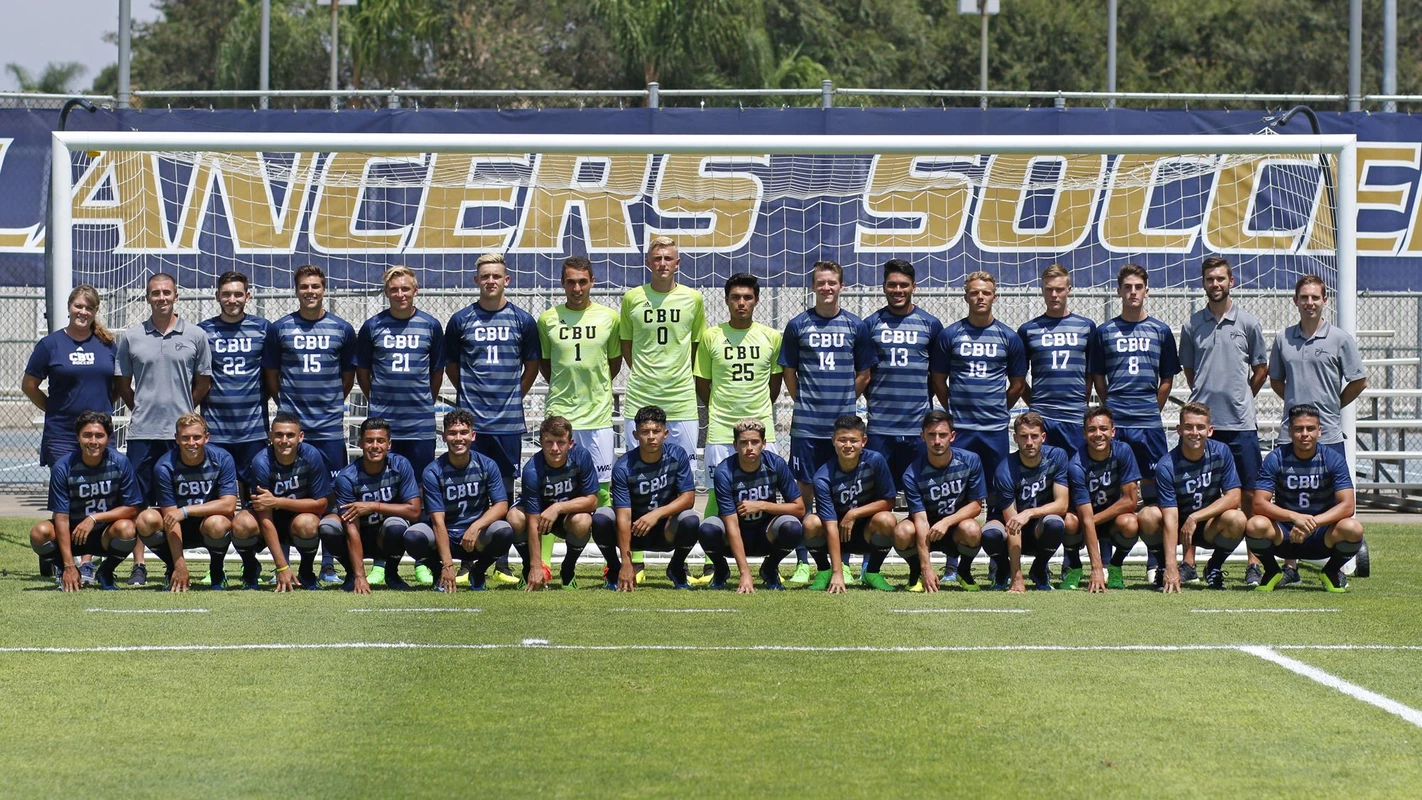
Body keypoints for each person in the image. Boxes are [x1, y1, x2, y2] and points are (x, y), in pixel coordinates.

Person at [444, 252, 540, 585]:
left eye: (496, 276)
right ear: (476, 280)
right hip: (472, 423)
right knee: (468, 491)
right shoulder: (460, 320)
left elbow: (531, 366)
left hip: (507, 423)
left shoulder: (523, 320)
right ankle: (469, 560)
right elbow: (452, 367)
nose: (490, 281)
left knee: (504, 492)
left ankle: (501, 560)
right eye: (485, 276)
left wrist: (513, 397)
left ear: (506, 280)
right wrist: (471, 399)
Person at [778, 261, 876, 587]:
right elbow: (789, 372)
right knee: (803, 496)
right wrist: (804, 399)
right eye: (821, 283)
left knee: (842, 497)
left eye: (832, 282)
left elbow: (864, 372)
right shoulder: (797, 325)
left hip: (842, 428)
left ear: (841, 286)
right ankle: (805, 562)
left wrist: (846, 398)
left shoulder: (855, 326)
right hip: (807, 426)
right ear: (813, 286)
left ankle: (843, 563)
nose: (826, 288)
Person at [1267, 274, 1368, 588]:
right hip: (1291, 434)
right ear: (1295, 301)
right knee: (1289, 499)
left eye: (1315, 297)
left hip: (1329, 435)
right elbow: (1276, 381)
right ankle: (1290, 565)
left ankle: (1335, 565)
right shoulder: (1283, 339)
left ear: (1325, 301)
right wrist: (1299, 415)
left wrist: (1332, 407)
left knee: (1331, 501)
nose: (1309, 302)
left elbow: (1359, 380)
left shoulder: (1339, 339)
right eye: (1304, 297)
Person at [115, 272, 213, 587]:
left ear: (176, 295)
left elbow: (203, 382)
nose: (161, 297)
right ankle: (140, 565)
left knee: (174, 503)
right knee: (141, 503)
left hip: (180, 438)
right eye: (155, 293)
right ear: (147, 297)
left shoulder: (196, 335)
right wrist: (143, 409)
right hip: (143, 433)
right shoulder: (130, 336)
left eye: (166, 292)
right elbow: (122, 384)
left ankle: (175, 563)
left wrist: (183, 413)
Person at [262, 265, 357, 584]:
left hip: (328, 427)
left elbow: (347, 378)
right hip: (293, 425)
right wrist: (290, 409)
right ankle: (286, 564)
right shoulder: (280, 328)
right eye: (304, 286)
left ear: (324, 289)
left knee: (330, 498)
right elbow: (272, 376)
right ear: (296, 290)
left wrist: (329, 405)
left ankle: (328, 562)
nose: (310, 291)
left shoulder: (342, 329)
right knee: (286, 493)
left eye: (315, 286)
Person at [1178, 256, 1269, 585]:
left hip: (1240, 424)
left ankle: (1253, 563)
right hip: (1201, 426)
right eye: (1209, 279)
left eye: (1221, 279)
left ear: (1231, 281)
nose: (1215, 284)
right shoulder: (1192, 325)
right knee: (1194, 493)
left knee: (1248, 495)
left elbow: (1261, 370)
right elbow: (1191, 372)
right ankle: (1187, 561)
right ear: (1203, 283)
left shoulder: (1248, 323)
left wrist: (1242, 397)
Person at [23, 284, 118, 583]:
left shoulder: (107, 344)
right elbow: (29, 385)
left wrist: (101, 415)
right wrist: (54, 409)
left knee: (95, 494)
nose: (83, 312)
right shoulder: (50, 345)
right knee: (69, 496)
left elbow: (115, 386)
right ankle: (60, 560)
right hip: (62, 434)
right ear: (69, 307)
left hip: (97, 434)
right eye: (78, 306)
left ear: (95, 311)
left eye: (88, 308)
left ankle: (86, 564)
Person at [693, 272, 783, 584]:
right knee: (718, 494)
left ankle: (770, 564)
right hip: (720, 429)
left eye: (747, 297)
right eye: (735, 297)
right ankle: (711, 563)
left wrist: (755, 418)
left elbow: (775, 384)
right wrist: (723, 412)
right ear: (727, 300)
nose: (741, 303)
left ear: (756, 300)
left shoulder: (771, 336)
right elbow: (703, 383)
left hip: (762, 431)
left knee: (767, 492)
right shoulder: (711, 336)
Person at [930, 270, 1027, 524]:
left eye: (985, 293)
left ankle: (997, 557)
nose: (980, 297)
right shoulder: (950, 335)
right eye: (974, 293)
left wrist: (997, 408)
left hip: (994, 429)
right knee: (957, 493)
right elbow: (939, 380)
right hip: (961, 428)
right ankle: (954, 562)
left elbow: (1017, 385)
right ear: (966, 297)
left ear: (995, 296)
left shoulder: (1009, 337)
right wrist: (952, 408)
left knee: (999, 493)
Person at [1245, 404, 1364, 593]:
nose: (1305, 434)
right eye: (1299, 429)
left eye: (1310, 428)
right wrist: (1294, 517)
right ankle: (1272, 570)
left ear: (1320, 431)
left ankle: (1331, 572)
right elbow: (1259, 503)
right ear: (1290, 431)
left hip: (1321, 534)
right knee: (1255, 524)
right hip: (1285, 534)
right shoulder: (1276, 458)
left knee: (1353, 528)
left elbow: (1348, 505)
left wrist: (1312, 522)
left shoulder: (1333, 459)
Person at [1088, 264, 1179, 503]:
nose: (1133, 292)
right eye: (1127, 287)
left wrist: (1152, 407)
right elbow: (1098, 375)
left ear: (1147, 291)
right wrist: (1111, 406)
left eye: (1138, 287)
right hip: (1117, 417)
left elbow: (1167, 378)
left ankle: (1153, 533)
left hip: (1147, 419)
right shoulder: (1104, 331)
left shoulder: (1161, 330)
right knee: (1115, 476)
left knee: (1153, 477)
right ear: (1118, 291)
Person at [537, 256, 622, 505]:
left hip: (597, 414)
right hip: (560, 412)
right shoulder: (547, 319)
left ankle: (602, 543)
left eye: (583, 282)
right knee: (554, 487)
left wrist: (595, 384)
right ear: (562, 283)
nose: (577, 289)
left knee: (602, 488)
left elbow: (613, 363)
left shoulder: (609, 317)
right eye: (571, 282)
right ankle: (551, 544)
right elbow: (546, 364)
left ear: (592, 282)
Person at [1138, 402, 1246, 593]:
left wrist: (1195, 517)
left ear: (1210, 430)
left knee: (1237, 518)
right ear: (1179, 429)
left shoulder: (1222, 452)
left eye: (1200, 427)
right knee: (1148, 515)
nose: (1194, 432)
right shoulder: (1167, 465)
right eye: (1188, 427)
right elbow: (1170, 517)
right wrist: (1172, 565)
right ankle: (1163, 567)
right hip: (1177, 526)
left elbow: (1234, 497)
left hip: (1206, 525)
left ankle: (1214, 567)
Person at [405, 410, 515, 593]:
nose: (458, 438)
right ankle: (437, 572)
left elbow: (501, 505)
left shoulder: (487, 465)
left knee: (504, 530)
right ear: (444, 436)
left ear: (473, 435)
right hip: (445, 535)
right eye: (452, 433)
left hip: (475, 537)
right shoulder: (433, 471)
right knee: (412, 536)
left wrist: (475, 527)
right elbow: (437, 520)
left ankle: (478, 572)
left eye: (463, 432)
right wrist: (447, 565)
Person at [29, 411, 140, 591]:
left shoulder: (121, 462)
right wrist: (69, 565)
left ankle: (106, 571)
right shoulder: (63, 467)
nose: (93, 441)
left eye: (99, 435)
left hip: (106, 533)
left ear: (108, 437)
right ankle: (66, 571)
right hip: (72, 533)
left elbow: (132, 508)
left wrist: (94, 518)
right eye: (87, 435)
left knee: (127, 528)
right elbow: (61, 517)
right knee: (39, 532)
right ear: (78, 437)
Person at [595, 405, 700, 591]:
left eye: (656, 431)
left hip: (665, 530)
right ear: (635, 435)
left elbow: (688, 498)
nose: (651, 436)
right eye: (645, 432)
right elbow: (624, 515)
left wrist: (657, 514)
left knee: (690, 519)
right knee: (601, 516)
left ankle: (676, 568)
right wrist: (627, 563)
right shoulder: (623, 466)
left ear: (665, 433)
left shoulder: (677, 455)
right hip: (634, 530)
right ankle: (614, 569)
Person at [355, 265, 444, 480]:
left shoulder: (431, 325)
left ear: (416, 290)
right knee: (383, 480)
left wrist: (424, 401)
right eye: (394, 290)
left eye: (405, 289)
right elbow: (363, 371)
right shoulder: (372, 326)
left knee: (422, 482)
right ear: (386, 292)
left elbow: (437, 371)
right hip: (383, 421)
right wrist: (376, 399)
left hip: (419, 423)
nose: (400, 294)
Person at [697, 418, 806, 593]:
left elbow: (799, 508)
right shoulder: (724, 472)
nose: (749, 447)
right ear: (735, 445)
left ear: (763, 444)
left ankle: (770, 569)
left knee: (792, 526)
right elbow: (731, 523)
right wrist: (745, 572)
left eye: (755, 442)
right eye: (744, 443)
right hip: (734, 534)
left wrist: (762, 505)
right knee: (707, 529)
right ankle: (721, 570)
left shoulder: (776, 464)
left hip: (766, 532)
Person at [136, 413, 239, 592]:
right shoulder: (165, 466)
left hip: (207, 524)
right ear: (176, 439)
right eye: (185, 438)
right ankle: (172, 567)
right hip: (176, 527)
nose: (191, 443)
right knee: (146, 519)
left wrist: (185, 511)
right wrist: (179, 564)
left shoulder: (222, 458)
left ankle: (217, 571)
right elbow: (170, 516)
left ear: (206, 438)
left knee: (219, 522)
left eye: (196, 437)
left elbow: (229, 505)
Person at [893, 411, 991, 593]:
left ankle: (964, 571)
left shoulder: (970, 461)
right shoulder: (912, 473)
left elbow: (976, 505)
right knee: (902, 532)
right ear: (922, 436)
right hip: (925, 528)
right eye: (931, 435)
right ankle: (917, 573)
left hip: (955, 527)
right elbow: (920, 519)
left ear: (952, 436)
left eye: (943, 435)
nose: (937, 441)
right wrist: (926, 567)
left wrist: (946, 522)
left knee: (972, 529)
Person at [244, 412, 342, 592]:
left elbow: (321, 504)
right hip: (268, 520)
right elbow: (264, 515)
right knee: (242, 523)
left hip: (298, 518)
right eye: (279, 434)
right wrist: (282, 567)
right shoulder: (261, 462)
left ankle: (306, 572)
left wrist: (277, 502)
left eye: (290, 435)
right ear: (270, 436)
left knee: (309, 523)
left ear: (300, 436)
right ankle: (250, 570)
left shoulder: (311, 455)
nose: (284, 440)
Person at [802, 414, 898, 594]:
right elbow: (830, 525)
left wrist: (854, 514)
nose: (848, 445)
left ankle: (872, 572)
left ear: (864, 441)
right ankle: (825, 571)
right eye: (842, 440)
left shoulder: (875, 461)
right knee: (810, 523)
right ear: (833, 441)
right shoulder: (823, 477)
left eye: (853, 440)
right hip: (836, 534)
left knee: (887, 519)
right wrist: (838, 573)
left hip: (866, 531)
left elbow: (889, 501)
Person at [510, 416, 603, 590]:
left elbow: (592, 501)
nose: (554, 448)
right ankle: (527, 569)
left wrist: (558, 507)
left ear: (571, 443)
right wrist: (536, 567)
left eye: (560, 442)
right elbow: (532, 520)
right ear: (541, 442)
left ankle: (568, 570)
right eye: (549, 442)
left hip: (567, 516)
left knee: (583, 521)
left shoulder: (581, 457)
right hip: (538, 516)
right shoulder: (532, 469)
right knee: (515, 517)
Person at [330, 418, 423, 593]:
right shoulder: (347, 477)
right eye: (369, 440)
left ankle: (391, 572)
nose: (375, 446)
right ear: (360, 443)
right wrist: (360, 575)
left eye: (380, 441)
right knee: (328, 527)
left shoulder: (400, 465)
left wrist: (374, 506)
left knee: (396, 525)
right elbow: (351, 527)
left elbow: (414, 511)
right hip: (359, 534)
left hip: (386, 534)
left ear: (389, 444)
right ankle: (352, 574)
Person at [199, 271, 271, 490]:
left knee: (255, 497)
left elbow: (271, 375)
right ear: (217, 295)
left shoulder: (264, 328)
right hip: (216, 430)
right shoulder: (203, 331)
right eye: (226, 294)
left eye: (238, 294)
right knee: (216, 497)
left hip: (253, 430)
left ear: (247, 296)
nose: (232, 300)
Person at [985, 412, 1073, 593]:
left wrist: (1029, 513)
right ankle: (1004, 569)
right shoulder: (1005, 470)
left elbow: (1062, 504)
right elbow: (1012, 525)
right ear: (1015, 438)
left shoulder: (1057, 457)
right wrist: (1017, 577)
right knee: (990, 533)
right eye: (1024, 436)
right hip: (1010, 527)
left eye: (1034, 436)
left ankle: (1039, 568)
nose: (1029, 442)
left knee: (1056, 523)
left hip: (1038, 526)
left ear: (1043, 437)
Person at [1017, 264, 1096, 460]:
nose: (1054, 294)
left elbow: (1091, 372)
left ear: (1068, 290)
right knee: (1042, 475)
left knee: (1076, 473)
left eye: (1059, 289)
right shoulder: (1028, 329)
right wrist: (1035, 403)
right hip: (1042, 417)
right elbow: (1018, 377)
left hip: (1075, 417)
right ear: (1042, 290)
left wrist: (1081, 401)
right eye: (1048, 289)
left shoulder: (1086, 326)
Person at [1067, 407, 1142, 591]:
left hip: (1111, 519)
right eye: (1092, 429)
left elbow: (1130, 501)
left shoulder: (1123, 451)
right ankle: (1075, 568)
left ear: (1113, 432)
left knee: (1131, 522)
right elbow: (1084, 516)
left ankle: (1115, 566)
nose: (1098, 434)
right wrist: (1096, 568)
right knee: (1068, 521)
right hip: (1082, 519)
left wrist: (1093, 521)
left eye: (1103, 429)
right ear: (1084, 434)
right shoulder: (1076, 464)